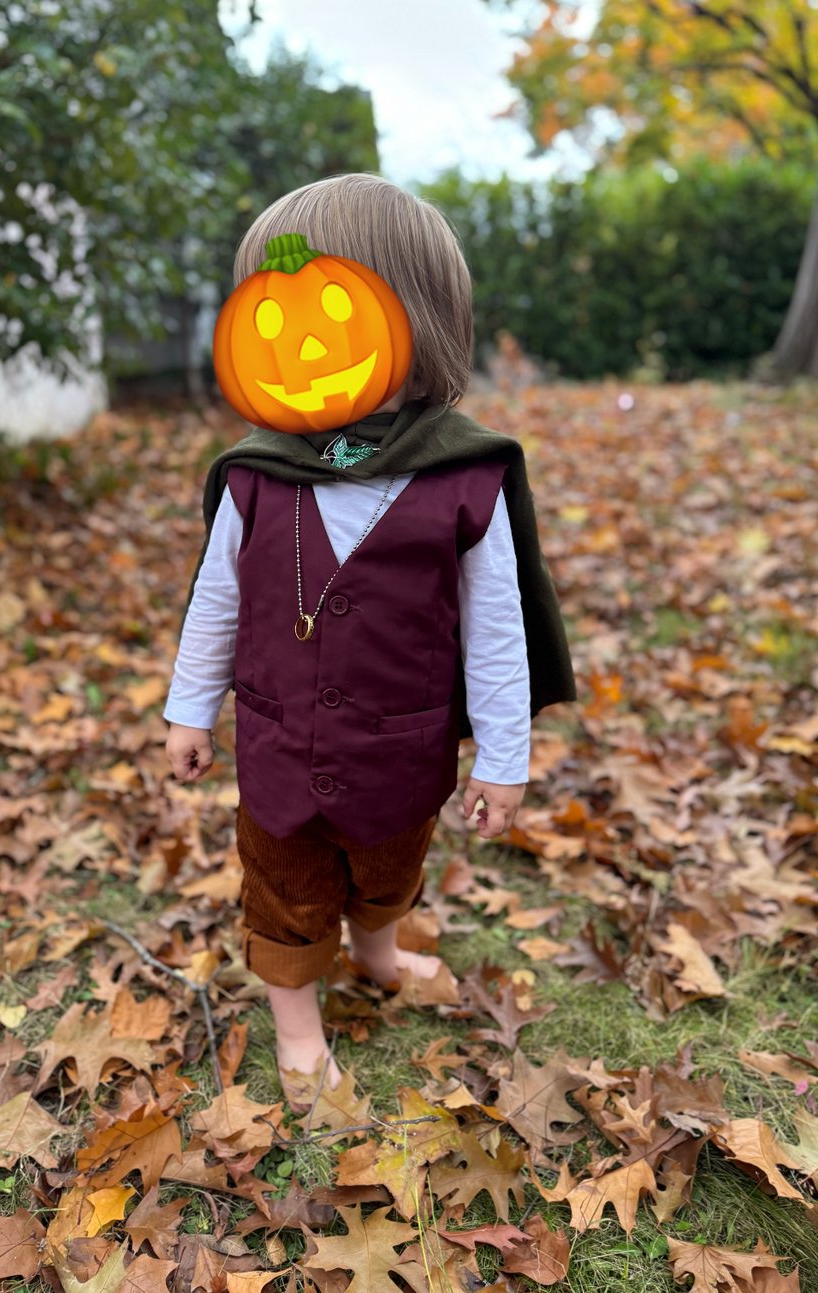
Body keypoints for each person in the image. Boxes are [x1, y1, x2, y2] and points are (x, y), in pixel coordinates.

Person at [163, 173, 574, 1096]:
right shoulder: (254, 477)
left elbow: (498, 630)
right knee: (286, 884)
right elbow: (215, 602)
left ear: (416, 320)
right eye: (268, 315)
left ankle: (378, 950)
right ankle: (298, 1027)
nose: (295, 343)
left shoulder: (464, 480)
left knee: (389, 870)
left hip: (403, 747)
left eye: (329, 310)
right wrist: (189, 709)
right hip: (279, 745)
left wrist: (504, 756)